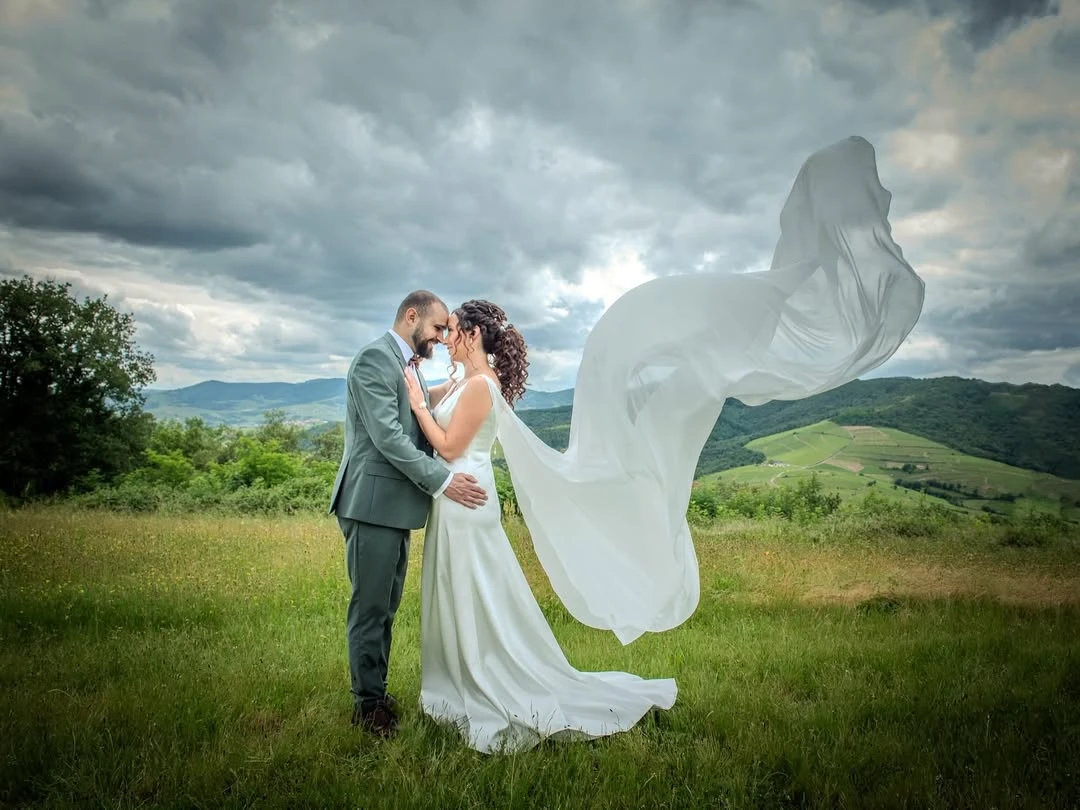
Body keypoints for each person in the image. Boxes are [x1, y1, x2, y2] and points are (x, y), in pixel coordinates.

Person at [404, 300, 677, 753]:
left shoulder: (480, 387)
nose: (446, 337)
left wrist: (417, 407)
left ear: (473, 336)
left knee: (477, 594)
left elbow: (450, 448)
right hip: (452, 500)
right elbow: (437, 405)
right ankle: (460, 673)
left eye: (452, 330)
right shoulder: (464, 381)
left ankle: (488, 678)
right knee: (458, 592)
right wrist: (419, 381)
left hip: (466, 498)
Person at [329, 290, 488, 738]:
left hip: (393, 507)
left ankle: (375, 692)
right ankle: (368, 706)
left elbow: (421, 414)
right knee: (371, 607)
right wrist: (442, 480)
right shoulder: (374, 361)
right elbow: (389, 438)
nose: (440, 338)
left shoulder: (404, 366)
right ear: (411, 317)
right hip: (371, 505)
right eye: (437, 328)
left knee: (386, 605)